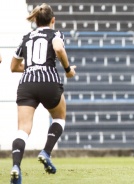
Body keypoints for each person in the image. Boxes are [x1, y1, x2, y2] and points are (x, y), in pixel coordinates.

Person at [10, 3, 76, 184]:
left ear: (35, 21)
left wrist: (31, 67)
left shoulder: (25, 38)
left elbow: (14, 67)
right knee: (60, 116)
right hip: (49, 82)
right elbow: (59, 49)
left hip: (27, 84)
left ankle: (16, 166)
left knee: (23, 130)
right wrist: (68, 69)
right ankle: (46, 152)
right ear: (53, 20)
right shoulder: (55, 34)